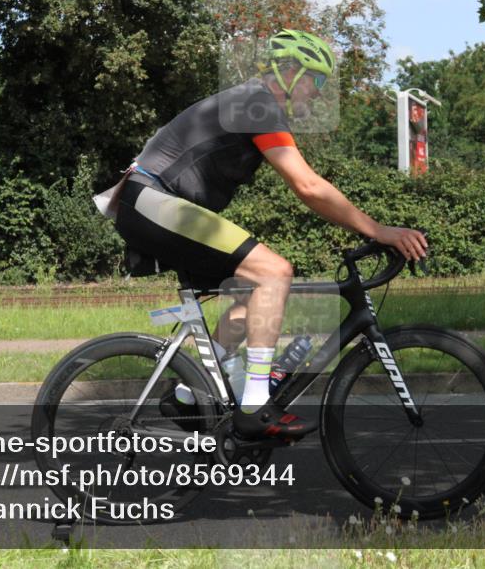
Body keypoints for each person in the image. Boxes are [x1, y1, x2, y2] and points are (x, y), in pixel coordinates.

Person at [105, 29, 428, 440]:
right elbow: (308, 187)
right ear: (292, 72)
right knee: (274, 271)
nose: (319, 93)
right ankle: (255, 405)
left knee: (249, 295)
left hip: (151, 203)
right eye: (319, 81)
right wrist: (378, 230)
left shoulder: (255, 105)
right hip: (150, 199)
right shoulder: (256, 103)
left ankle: (187, 397)